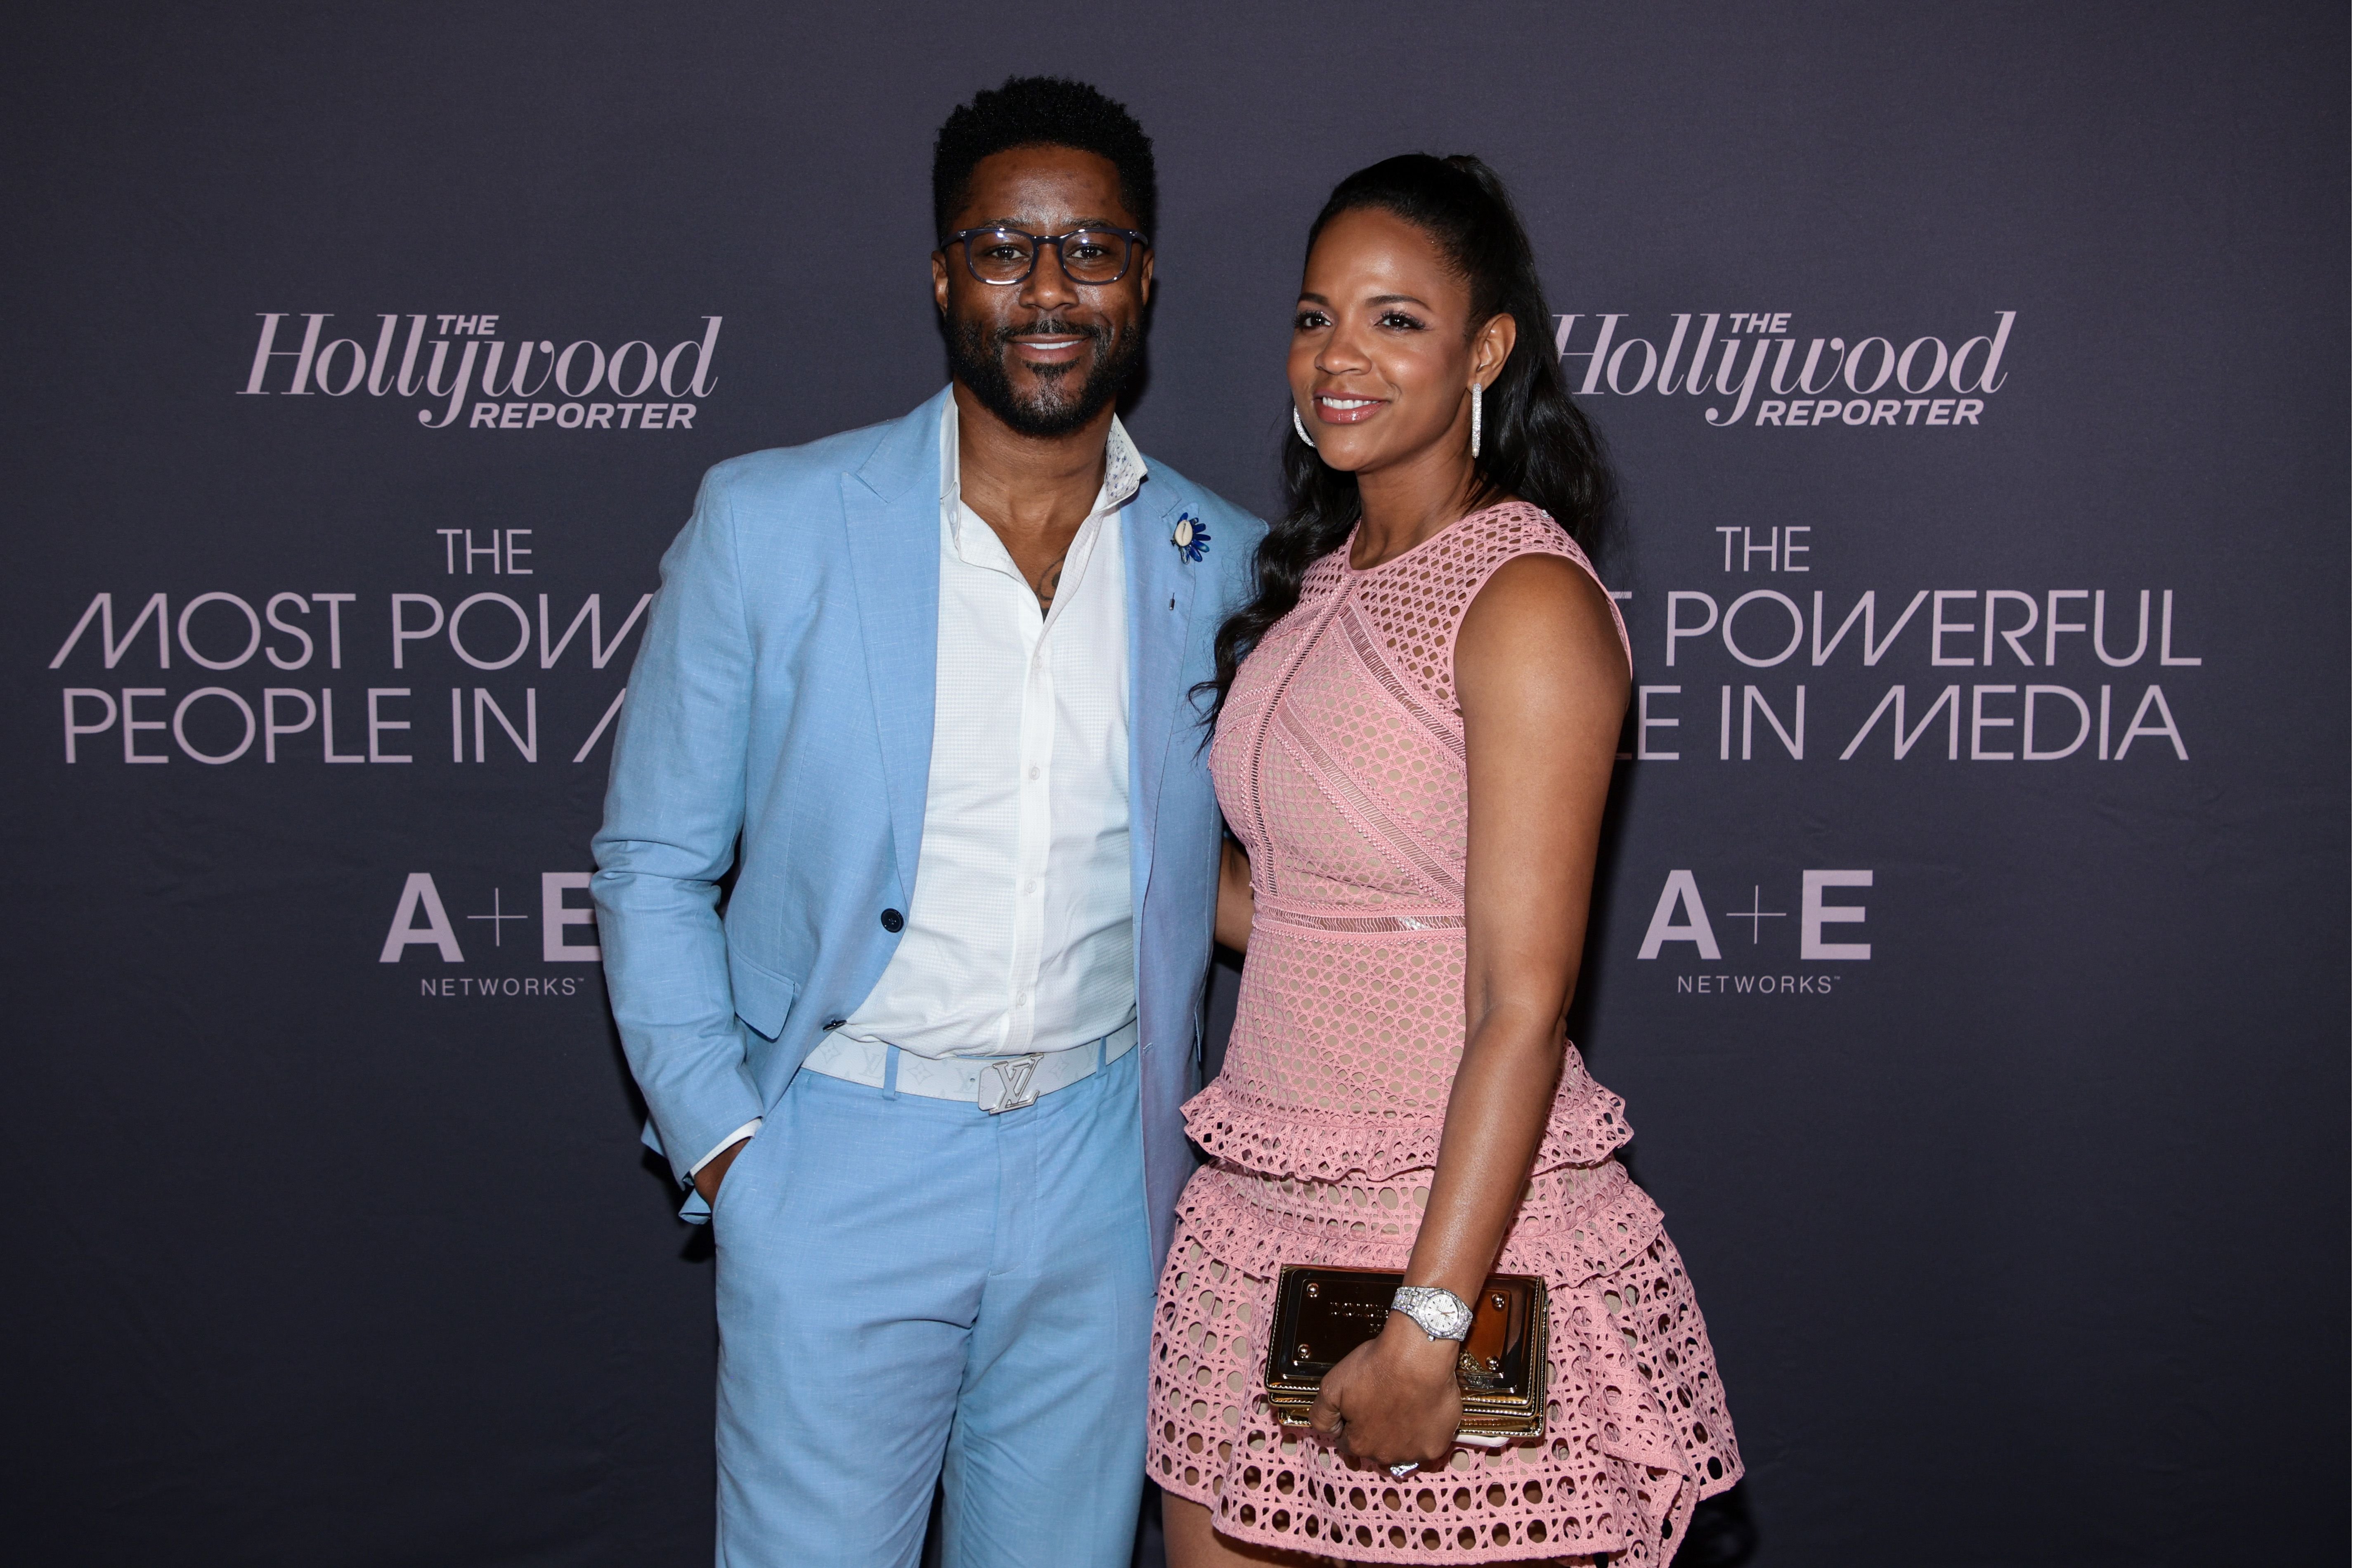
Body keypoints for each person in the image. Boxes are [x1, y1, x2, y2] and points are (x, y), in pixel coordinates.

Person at [591, 76, 1263, 1568]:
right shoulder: (773, 521)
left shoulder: (1222, 559)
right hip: (840, 1153)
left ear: (1144, 278)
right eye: (1005, 247)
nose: (1049, 289)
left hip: (1107, 1170)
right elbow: (651, 862)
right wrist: (728, 1150)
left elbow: (1233, 871)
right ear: (944, 274)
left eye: (1092, 249)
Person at [1152, 155, 1741, 1566]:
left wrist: (1429, 1325)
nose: (1337, 357)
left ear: (1488, 349)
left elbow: (1521, 1004)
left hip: (1454, 1242)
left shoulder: (1525, 596)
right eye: (1313, 317)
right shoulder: (1315, 586)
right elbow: (1293, 911)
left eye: (1394, 319)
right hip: (1253, 1233)